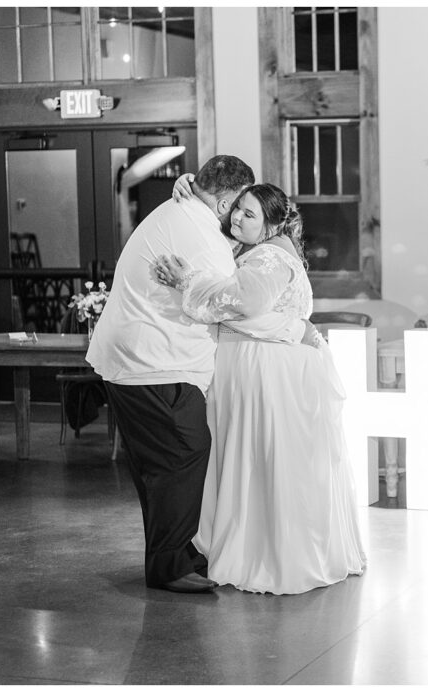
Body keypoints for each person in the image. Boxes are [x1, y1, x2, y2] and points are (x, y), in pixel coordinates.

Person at [152, 182, 366, 595]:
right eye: (236, 210)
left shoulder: (268, 255)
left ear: (271, 224)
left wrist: (188, 282)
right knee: (260, 459)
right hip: (259, 364)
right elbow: (260, 314)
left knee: (260, 457)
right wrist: (187, 186)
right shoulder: (260, 250)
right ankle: (258, 545)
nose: (236, 218)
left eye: (249, 214)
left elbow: (242, 306)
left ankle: (267, 554)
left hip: (264, 369)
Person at [87, 154, 256, 594]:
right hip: (155, 363)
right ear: (223, 202)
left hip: (136, 360)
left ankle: (174, 556)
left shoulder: (177, 210)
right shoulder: (201, 232)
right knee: (183, 452)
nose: (238, 216)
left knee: (158, 465)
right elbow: (226, 301)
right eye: (239, 206)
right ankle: (170, 567)